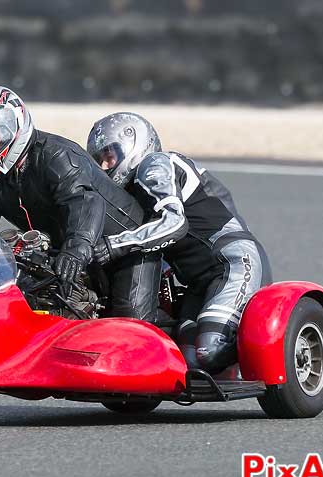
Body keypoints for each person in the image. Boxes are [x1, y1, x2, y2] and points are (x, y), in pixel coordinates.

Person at [86, 112, 272, 375]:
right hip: (199, 282)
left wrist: (113, 246)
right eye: (99, 160)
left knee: (209, 351)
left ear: (134, 145)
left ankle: (269, 345)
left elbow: (174, 224)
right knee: (187, 364)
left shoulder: (155, 165)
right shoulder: (129, 189)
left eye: (110, 155)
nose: (104, 167)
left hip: (232, 263)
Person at [0, 86, 160, 320]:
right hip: (70, 249)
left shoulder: (57, 155)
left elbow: (85, 203)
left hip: (128, 247)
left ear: (11, 130)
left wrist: (75, 252)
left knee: (129, 324)